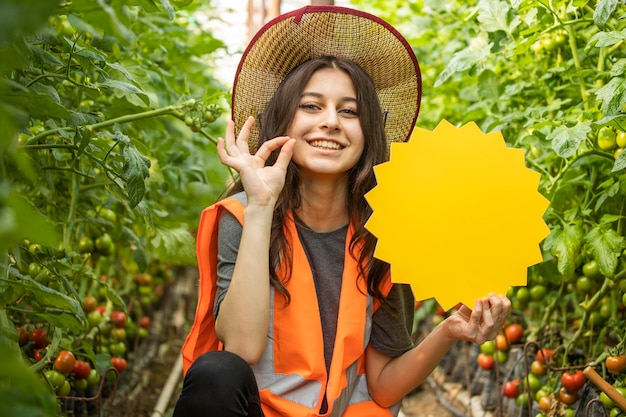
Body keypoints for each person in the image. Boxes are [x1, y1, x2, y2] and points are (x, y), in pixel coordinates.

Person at [174, 5, 511, 417]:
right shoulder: (244, 215)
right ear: (283, 120)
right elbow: (240, 348)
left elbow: (383, 388)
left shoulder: (387, 233)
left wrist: (448, 332)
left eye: (349, 111)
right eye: (311, 106)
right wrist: (262, 206)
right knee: (216, 372)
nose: (331, 122)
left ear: (367, 131)